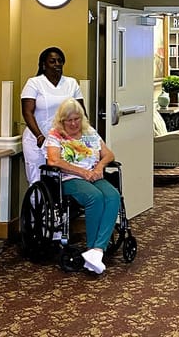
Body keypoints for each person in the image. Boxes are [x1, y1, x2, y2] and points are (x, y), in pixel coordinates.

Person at [45, 98, 120, 275]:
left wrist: (99, 167)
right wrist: (82, 172)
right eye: (69, 120)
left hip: (93, 175)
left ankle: (97, 251)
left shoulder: (90, 132)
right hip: (70, 178)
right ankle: (93, 247)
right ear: (62, 121)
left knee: (113, 195)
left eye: (76, 119)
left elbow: (109, 154)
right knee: (95, 197)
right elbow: (53, 160)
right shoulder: (55, 135)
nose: (73, 123)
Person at [21, 47, 86, 185]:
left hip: (64, 140)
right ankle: (37, 206)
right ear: (44, 65)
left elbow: (81, 112)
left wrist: (83, 136)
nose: (57, 64)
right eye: (52, 61)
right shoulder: (34, 83)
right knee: (37, 180)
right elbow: (27, 112)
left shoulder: (71, 83)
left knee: (62, 180)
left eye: (60, 61)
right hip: (37, 139)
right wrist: (39, 136)